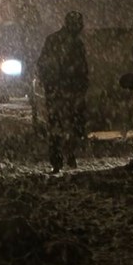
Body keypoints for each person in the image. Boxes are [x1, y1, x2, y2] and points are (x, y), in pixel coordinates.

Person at [36, 11, 89, 173]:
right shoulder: (71, 43)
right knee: (67, 125)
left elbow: (43, 64)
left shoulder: (58, 41)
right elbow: (81, 68)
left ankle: (60, 158)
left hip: (60, 91)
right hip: (64, 90)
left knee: (60, 126)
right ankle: (64, 157)